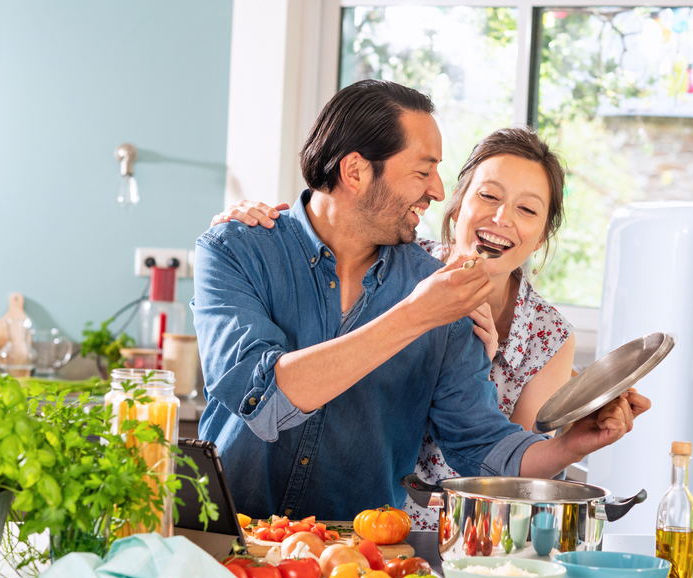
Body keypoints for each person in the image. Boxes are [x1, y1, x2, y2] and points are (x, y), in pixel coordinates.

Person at [194, 80, 650, 521]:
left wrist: (572, 444)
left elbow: (482, 450)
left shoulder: (443, 291)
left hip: (358, 564)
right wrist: (415, 315)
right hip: (221, 539)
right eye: (422, 170)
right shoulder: (235, 250)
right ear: (355, 171)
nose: (437, 189)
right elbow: (264, 400)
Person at [217, 128, 580, 531]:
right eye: (489, 196)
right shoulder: (393, 254)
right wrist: (244, 231)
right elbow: (332, 226)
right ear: (457, 207)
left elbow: (497, 461)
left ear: (544, 234)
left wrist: (568, 441)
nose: (502, 218)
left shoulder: (545, 334)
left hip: (418, 533)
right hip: (304, 520)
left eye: (527, 210)